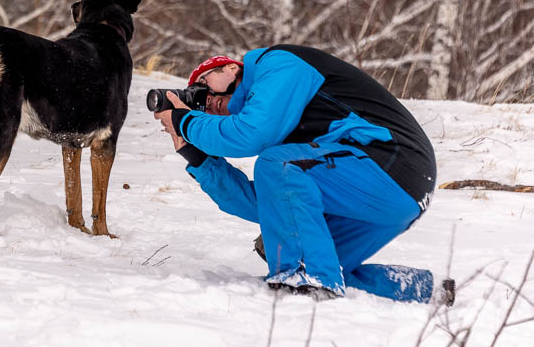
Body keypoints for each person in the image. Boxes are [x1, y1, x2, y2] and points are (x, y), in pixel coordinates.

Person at [153, 46, 454, 303]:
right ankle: (424, 291)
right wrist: (199, 157)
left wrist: (185, 121)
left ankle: (304, 282)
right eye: (197, 100)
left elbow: (252, 134)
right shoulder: (293, 140)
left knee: (278, 167)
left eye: (204, 81)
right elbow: (262, 204)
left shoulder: (276, 63)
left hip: (393, 163)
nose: (205, 98)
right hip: (389, 198)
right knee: (320, 259)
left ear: (232, 66)